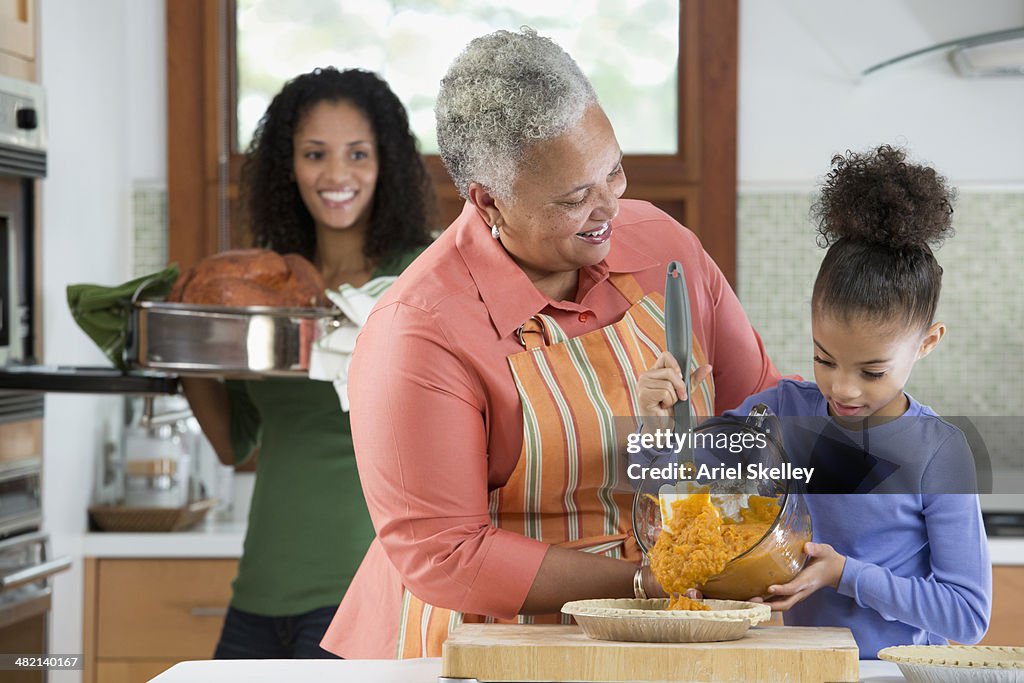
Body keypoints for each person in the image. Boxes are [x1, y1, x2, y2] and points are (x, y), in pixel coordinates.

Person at [319, 28, 780, 659]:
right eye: (574, 198)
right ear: (489, 202)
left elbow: (761, 410)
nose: (610, 209)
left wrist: (770, 543)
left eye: (613, 171)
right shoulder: (419, 330)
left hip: (670, 625)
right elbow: (449, 555)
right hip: (489, 644)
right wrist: (649, 584)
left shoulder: (662, 246)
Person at [636, 144, 992, 657]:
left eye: (872, 371)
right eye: (825, 359)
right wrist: (656, 426)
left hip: (893, 675)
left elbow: (968, 614)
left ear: (927, 343)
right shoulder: (780, 412)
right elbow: (675, 481)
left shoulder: (940, 452)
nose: (843, 388)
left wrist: (844, 574)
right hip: (801, 665)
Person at [182, 67, 436, 659]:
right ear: (287, 165)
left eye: (357, 154)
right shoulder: (265, 286)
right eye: (315, 154)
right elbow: (234, 443)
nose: (337, 175)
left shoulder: (422, 275)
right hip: (258, 596)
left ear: (388, 163)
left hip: (364, 598)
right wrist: (184, 341)